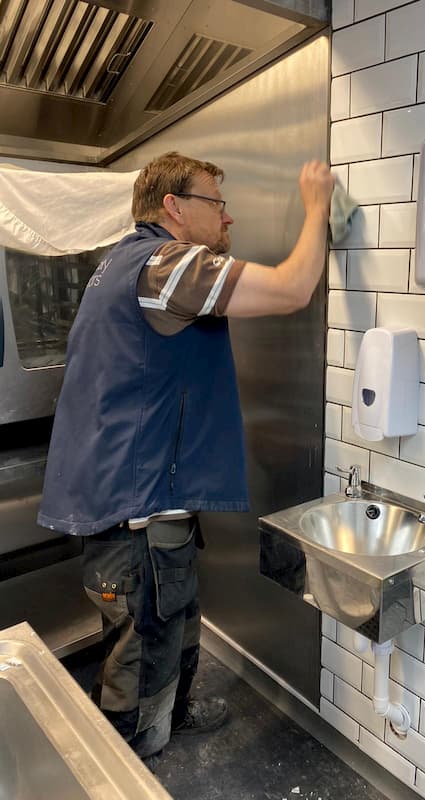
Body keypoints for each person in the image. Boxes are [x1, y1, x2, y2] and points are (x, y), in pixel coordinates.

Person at [37, 151, 334, 767]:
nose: (228, 219)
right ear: (174, 207)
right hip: (135, 509)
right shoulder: (164, 263)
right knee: (142, 648)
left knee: (167, 622)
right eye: (216, 203)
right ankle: (130, 762)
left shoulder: (119, 264)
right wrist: (317, 204)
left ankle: (171, 713)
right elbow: (293, 288)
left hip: (134, 502)